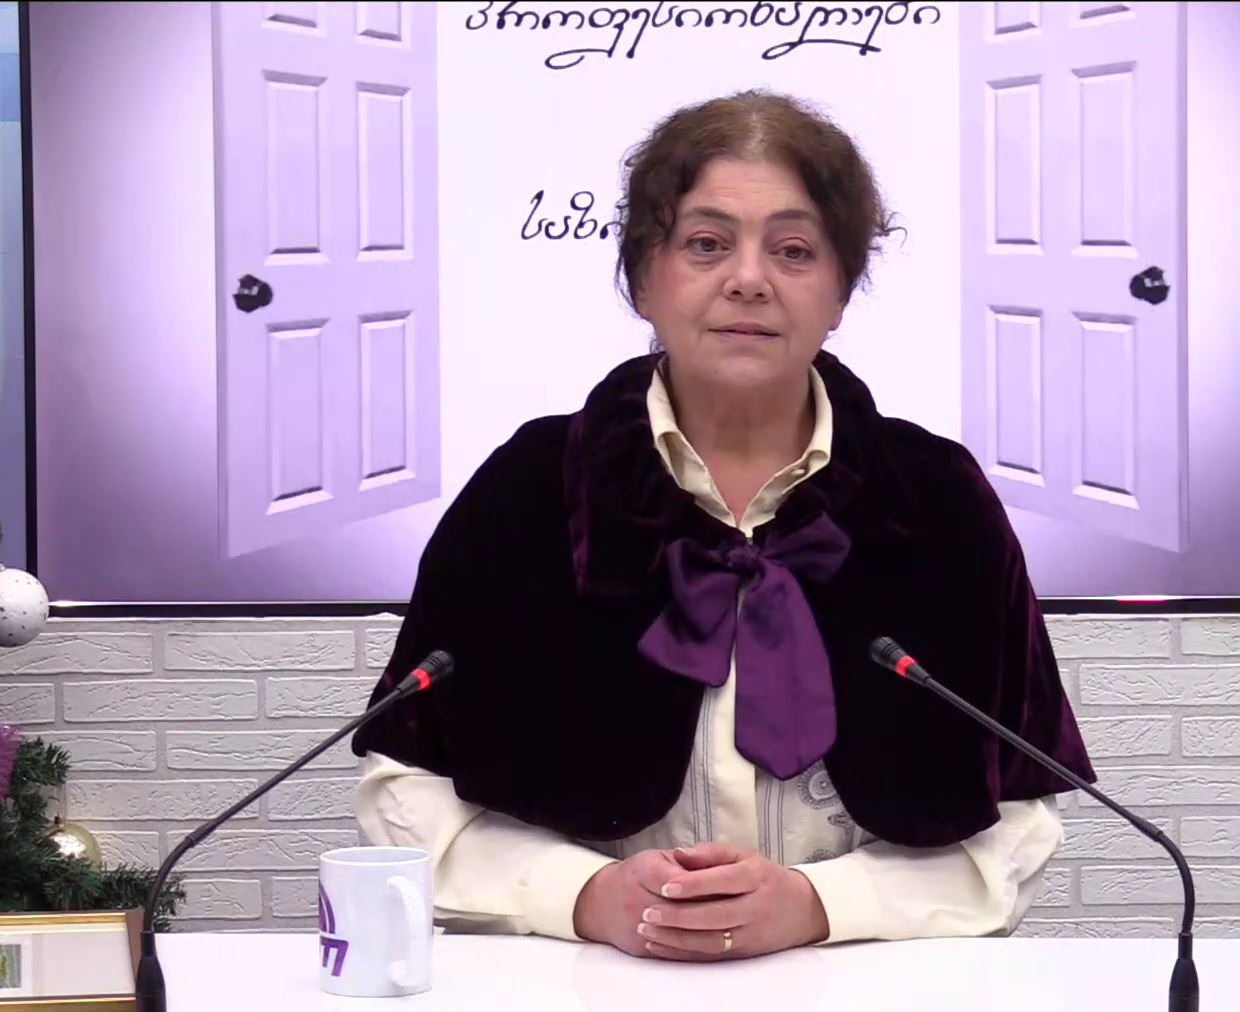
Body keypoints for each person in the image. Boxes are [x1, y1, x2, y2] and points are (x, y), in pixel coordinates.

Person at [352, 90, 1095, 962]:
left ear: (840, 293)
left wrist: (817, 905)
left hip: (868, 990)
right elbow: (405, 792)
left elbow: (1018, 818)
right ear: (642, 281)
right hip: (579, 990)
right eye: (707, 244)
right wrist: (583, 896)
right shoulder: (529, 491)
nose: (749, 278)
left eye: (794, 250)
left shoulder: (937, 500)